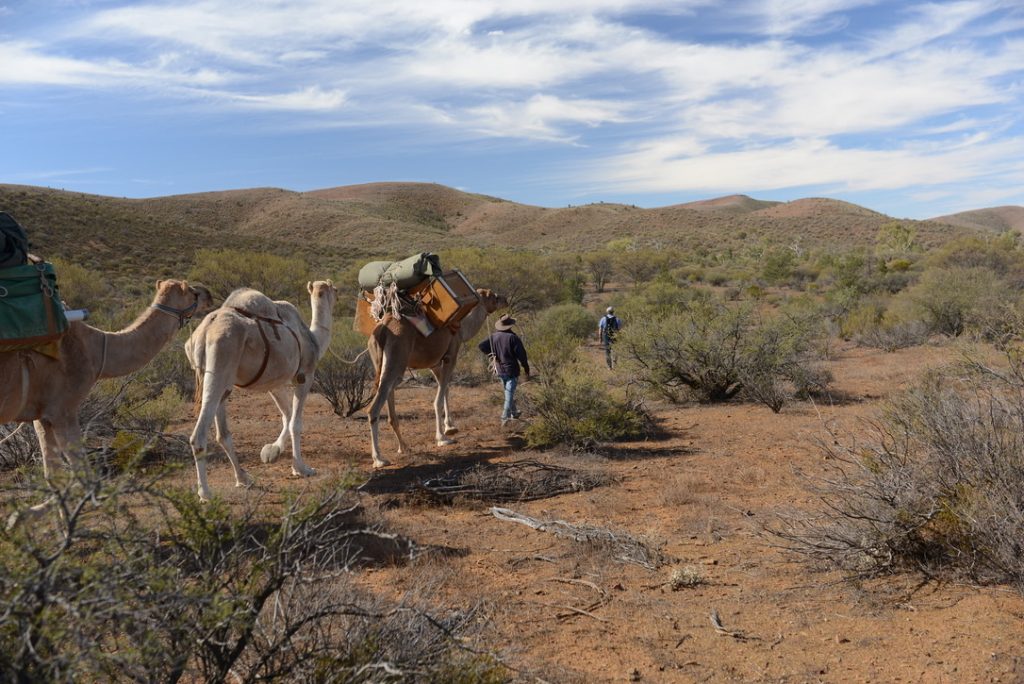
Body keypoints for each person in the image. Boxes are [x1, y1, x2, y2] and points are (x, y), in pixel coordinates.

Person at [478, 313, 530, 426]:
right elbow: (522, 355)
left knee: (508, 392)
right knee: (509, 395)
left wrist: (491, 355)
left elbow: (481, 345)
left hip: (499, 369)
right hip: (512, 370)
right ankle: (504, 418)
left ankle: (514, 412)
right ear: (510, 325)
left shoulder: (494, 336)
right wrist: (526, 368)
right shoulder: (513, 338)